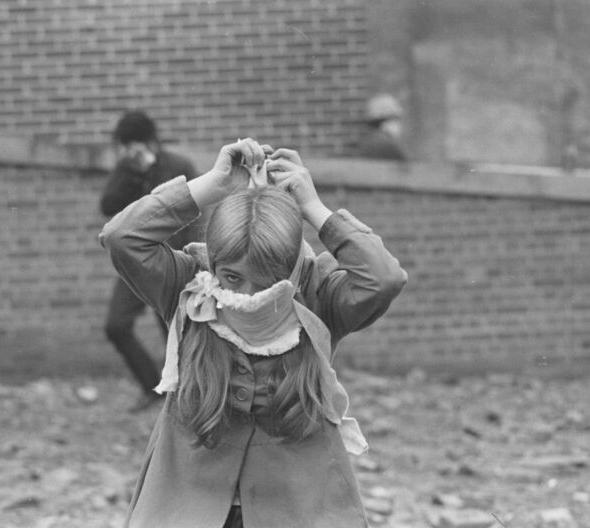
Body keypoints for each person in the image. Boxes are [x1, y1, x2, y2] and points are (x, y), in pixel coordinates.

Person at [100, 137, 408, 527]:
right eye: (232, 276)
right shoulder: (188, 286)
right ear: (213, 261)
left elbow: (383, 279)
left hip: (301, 510)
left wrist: (313, 207)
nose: (247, 294)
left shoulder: (317, 295)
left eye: (266, 281)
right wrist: (211, 186)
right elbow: (122, 238)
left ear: (291, 269)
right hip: (186, 506)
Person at [100, 110, 199, 413]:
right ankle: (151, 386)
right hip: (136, 264)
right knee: (116, 325)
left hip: (171, 265)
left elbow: (195, 212)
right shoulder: (125, 170)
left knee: (177, 333)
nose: (129, 151)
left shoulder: (177, 166)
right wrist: (131, 173)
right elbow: (108, 206)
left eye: (135, 144)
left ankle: (189, 399)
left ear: (150, 142)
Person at [357, 93, 408, 161]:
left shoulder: (367, 143)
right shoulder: (387, 146)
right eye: (396, 119)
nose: (399, 125)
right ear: (385, 122)